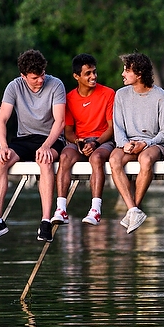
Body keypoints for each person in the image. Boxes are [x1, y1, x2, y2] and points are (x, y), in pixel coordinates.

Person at [0, 49, 66, 243]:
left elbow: (60, 121)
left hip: (51, 138)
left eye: (42, 74)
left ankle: (45, 221)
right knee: (1, 161)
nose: (40, 79)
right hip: (24, 138)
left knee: (44, 160)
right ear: (23, 76)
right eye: (34, 77)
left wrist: (47, 145)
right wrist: (3, 147)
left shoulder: (56, 84)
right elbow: (2, 119)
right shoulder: (14, 87)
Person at [109, 52, 164, 234]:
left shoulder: (161, 96)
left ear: (139, 74)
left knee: (145, 160)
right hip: (128, 143)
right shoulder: (120, 95)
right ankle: (133, 210)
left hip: (154, 143)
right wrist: (125, 144)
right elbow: (118, 126)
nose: (123, 74)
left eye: (127, 70)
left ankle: (134, 207)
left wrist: (146, 143)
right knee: (114, 160)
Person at [51, 53, 116, 227]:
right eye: (88, 73)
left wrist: (95, 143)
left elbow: (111, 128)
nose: (93, 76)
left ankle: (95, 210)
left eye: (94, 72)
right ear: (76, 76)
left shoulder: (108, 93)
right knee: (64, 157)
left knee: (96, 158)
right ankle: (61, 209)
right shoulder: (69, 98)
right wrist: (79, 143)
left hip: (103, 141)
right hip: (79, 141)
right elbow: (68, 131)